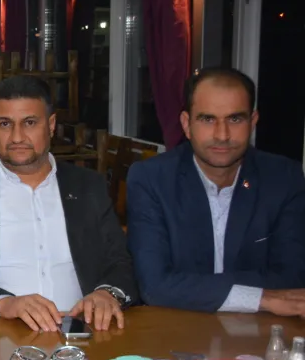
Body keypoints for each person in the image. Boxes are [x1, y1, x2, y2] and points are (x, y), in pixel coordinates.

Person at [0, 76, 136, 332]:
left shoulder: (88, 187)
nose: (17, 137)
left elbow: (121, 261)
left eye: (30, 123)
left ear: (51, 125)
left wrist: (107, 293)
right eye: (5, 124)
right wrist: (2, 303)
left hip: (82, 334)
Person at [127, 68, 305, 314]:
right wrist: (261, 298)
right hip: (177, 325)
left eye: (235, 119)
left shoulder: (284, 178)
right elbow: (154, 286)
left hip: (258, 329)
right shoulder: (151, 179)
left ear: (253, 122)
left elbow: (293, 278)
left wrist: (191, 287)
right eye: (208, 119)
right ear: (187, 124)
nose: (222, 135)